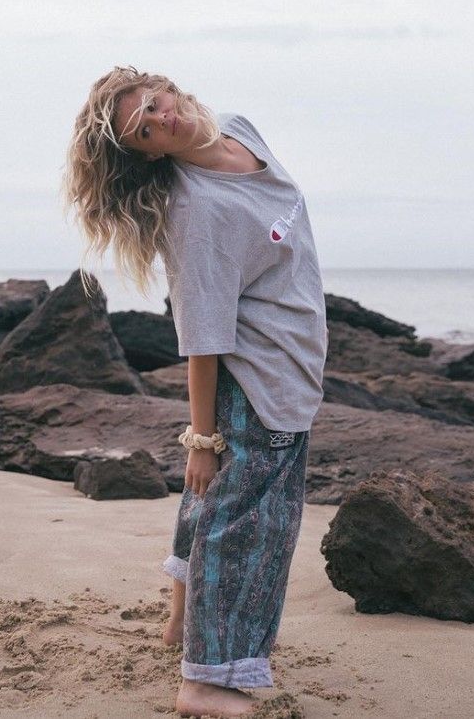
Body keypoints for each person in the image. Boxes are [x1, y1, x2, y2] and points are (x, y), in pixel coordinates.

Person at [62, 66, 328, 718]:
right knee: (250, 529)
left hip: (289, 355)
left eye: (155, 104)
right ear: (148, 154)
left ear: (170, 89)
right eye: (145, 130)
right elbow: (201, 337)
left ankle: (182, 618)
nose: (163, 120)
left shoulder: (239, 129)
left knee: (212, 500)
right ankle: (205, 682)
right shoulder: (197, 213)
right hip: (257, 378)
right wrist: (201, 438)